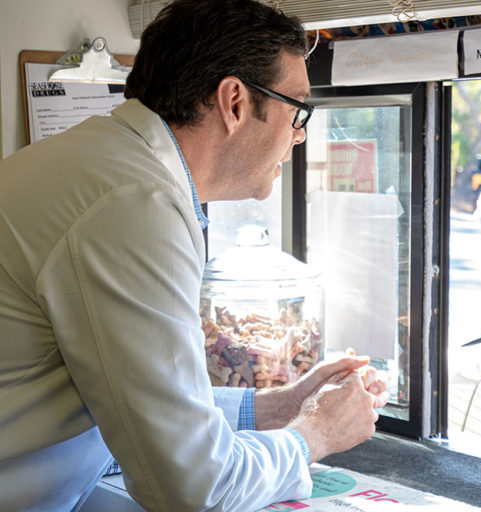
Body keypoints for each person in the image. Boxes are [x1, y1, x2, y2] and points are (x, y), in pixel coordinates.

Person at [0, 0, 387, 510]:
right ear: (234, 101)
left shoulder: (101, 163)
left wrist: (279, 405)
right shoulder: (136, 203)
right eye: (299, 109)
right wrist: (313, 435)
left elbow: (135, 403)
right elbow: (193, 488)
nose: (299, 134)